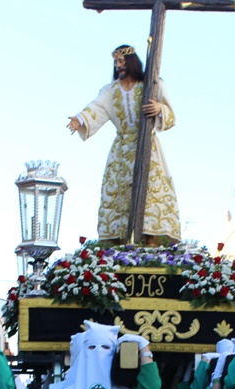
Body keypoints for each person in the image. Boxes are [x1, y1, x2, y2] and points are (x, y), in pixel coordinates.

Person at [67, 45, 180, 244]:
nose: (118, 66)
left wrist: (159, 108)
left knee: (151, 191)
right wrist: (80, 119)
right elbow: (97, 106)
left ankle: (151, 238)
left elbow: (171, 116)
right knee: (120, 191)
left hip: (147, 146)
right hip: (122, 149)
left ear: (132, 62)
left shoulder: (151, 84)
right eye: (116, 62)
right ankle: (121, 240)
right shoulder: (110, 90)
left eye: (121, 61)